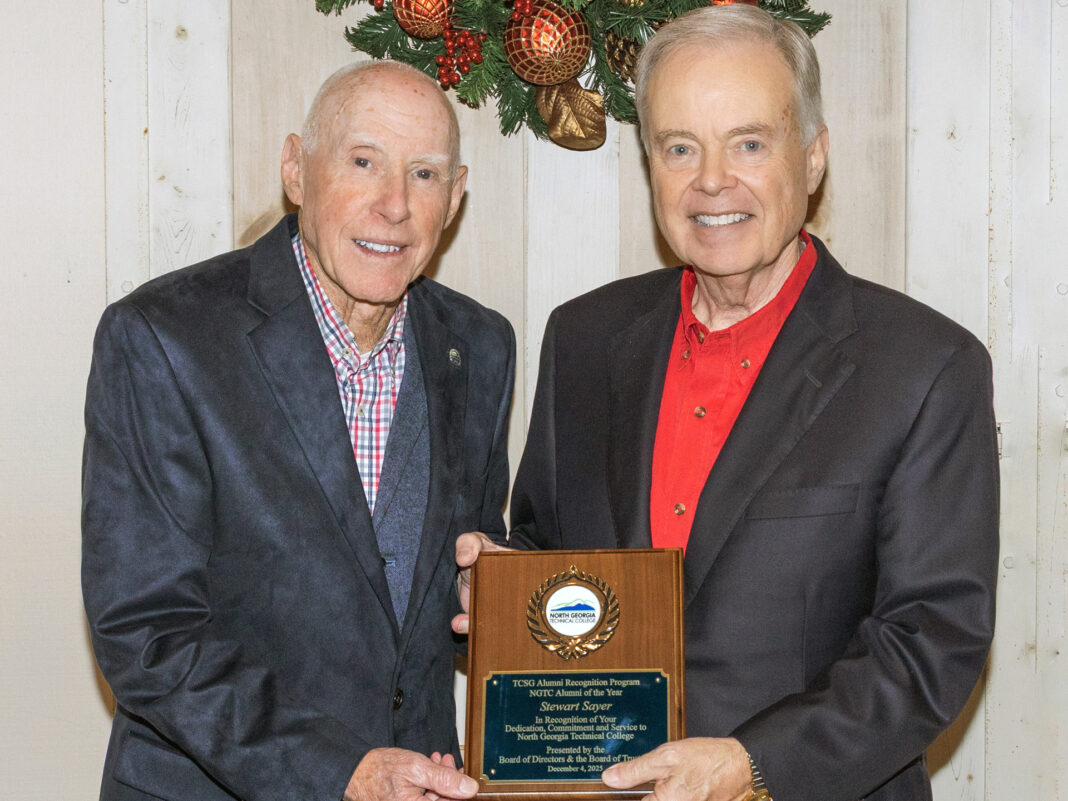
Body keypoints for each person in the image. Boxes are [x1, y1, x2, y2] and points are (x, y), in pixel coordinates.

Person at [472, 5, 999, 801]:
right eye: (680, 147)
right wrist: (500, 597)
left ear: (814, 157)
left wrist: (752, 764)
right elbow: (550, 554)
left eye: (749, 143)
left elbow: (933, 643)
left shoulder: (926, 367)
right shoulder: (583, 337)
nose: (711, 180)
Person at [82, 60, 514, 801]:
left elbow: (451, 570)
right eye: (362, 161)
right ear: (295, 169)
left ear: (456, 194)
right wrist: (337, 772)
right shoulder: (163, 337)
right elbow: (147, 632)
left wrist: (491, 588)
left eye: (424, 174)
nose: (394, 206)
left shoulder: (479, 345)